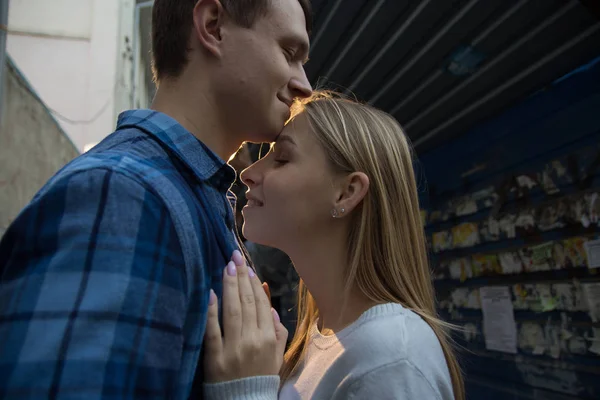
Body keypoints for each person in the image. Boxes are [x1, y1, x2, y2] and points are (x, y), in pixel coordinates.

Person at [0, 0, 312, 398]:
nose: (303, 83)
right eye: (289, 53)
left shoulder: (188, 195)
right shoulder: (122, 195)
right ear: (213, 26)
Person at [201, 92, 465, 399]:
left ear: (346, 193)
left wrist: (246, 393)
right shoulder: (326, 337)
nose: (247, 174)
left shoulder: (392, 358)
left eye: (282, 158)